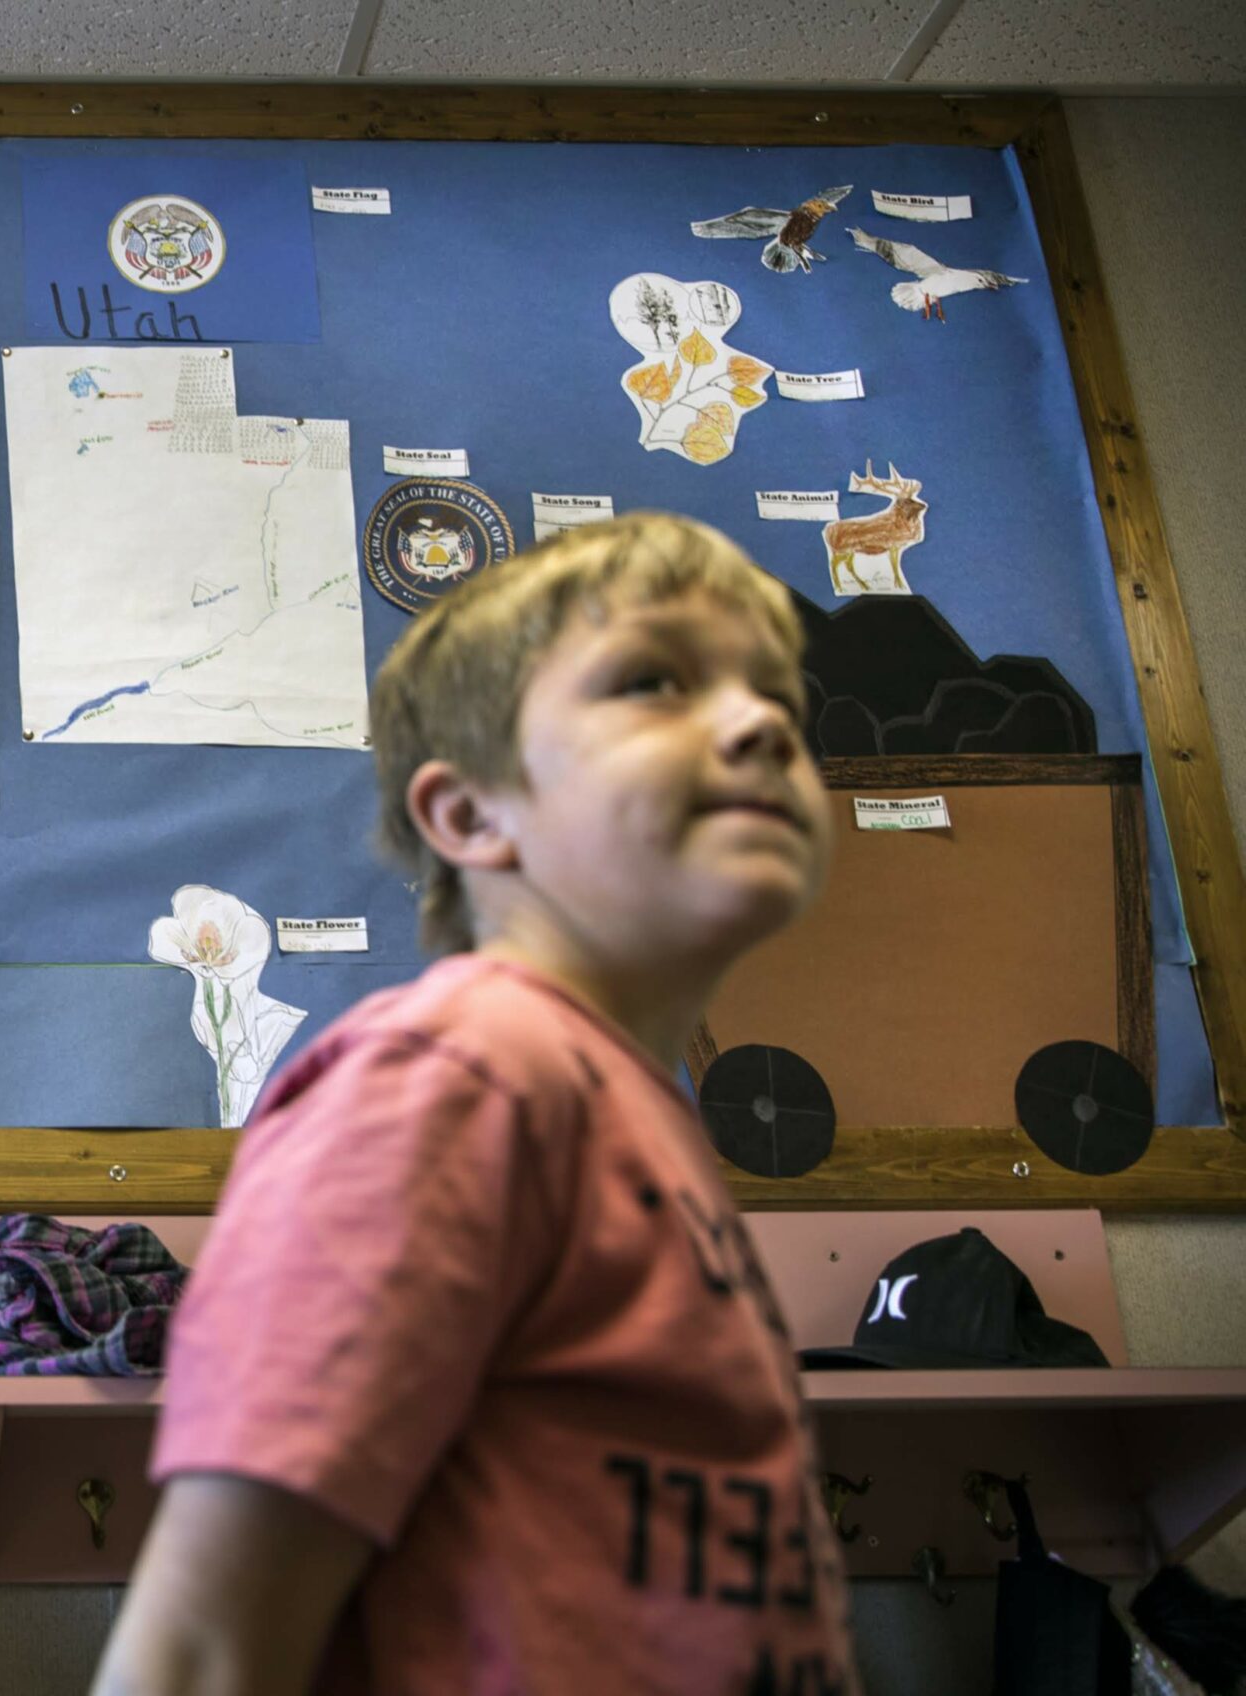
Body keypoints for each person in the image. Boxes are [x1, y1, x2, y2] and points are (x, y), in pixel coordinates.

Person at [93, 513, 860, 1695]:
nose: (762, 722)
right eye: (655, 681)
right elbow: (199, 1649)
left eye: (781, 701)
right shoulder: (458, 1071)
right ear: (469, 817)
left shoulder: (626, 1110)